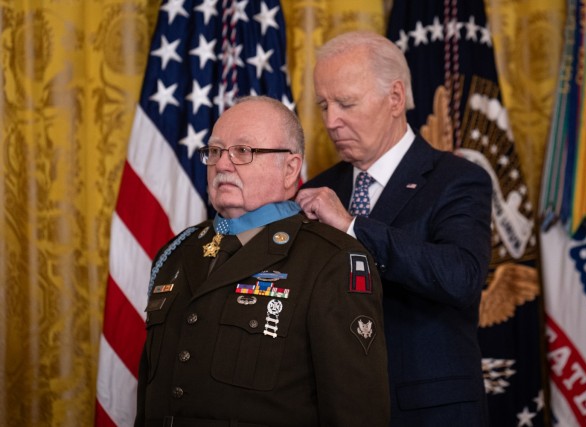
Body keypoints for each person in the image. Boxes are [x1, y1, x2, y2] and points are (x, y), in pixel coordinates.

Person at [135, 95, 390, 427]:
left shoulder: (331, 261)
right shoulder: (177, 253)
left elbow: (357, 414)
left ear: (289, 169)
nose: (222, 165)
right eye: (214, 151)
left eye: (243, 151)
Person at [296, 31, 492, 426]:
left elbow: (461, 276)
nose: (331, 121)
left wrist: (353, 226)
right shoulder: (317, 190)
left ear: (395, 98)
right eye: (324, 105)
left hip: (427, 412)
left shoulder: (456, 179)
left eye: (346, 103)